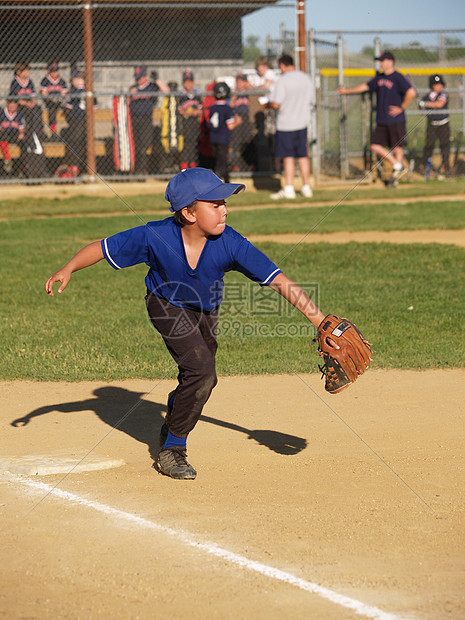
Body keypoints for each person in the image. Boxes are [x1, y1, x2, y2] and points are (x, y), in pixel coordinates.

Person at [44, 167, 330, 480]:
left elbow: (278, 280)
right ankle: (172, 450)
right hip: (165, 304)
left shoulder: (231, 243)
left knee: (200, 376)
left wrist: (318, 320)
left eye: (224, 203)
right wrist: (68, 268)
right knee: (202, 371)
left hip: (207, 310)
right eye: (216, 204)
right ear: (189, 213)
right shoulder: (155, 236)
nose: (225, 209)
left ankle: (178, 407)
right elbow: (102, 247)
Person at [337, 51, 416, 185]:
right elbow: (365, 86)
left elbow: (411, 92)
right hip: (382, 119)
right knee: (374, 146)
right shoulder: (379, 78)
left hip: (396, 119)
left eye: (382, 61)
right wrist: (347, 91)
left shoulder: (398, 77)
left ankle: (394, 178)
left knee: (397, 148)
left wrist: (401, 107)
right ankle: (398, 165)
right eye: (379, 61)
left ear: (390, 62)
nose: (380, 63)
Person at [267, 54, 314, 199]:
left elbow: (276, 103)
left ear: (282, 65)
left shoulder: (283, 80)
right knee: (303, 156)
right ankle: (306, 187)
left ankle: (289, 189)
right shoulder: (305, 78)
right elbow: (311, 99)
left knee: (288, 157)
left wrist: (267, 104)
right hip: (302, 123)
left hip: (286, 124)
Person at [9, 61, 48, 178]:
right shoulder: (15, 83)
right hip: (21, 109)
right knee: (26, 113)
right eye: (25, 71)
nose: (27, 73)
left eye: (28, 70)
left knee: (37, 109)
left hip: (30, 109)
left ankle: (36, 130)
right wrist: (25, 103)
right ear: (19, 72)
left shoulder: (29, 82)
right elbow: (14, 100)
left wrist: (32, 102)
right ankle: (29, 131)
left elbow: (33, 96)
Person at [129, 65, 169, 175]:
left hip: (146, 119)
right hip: (134, 119)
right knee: (136, 145)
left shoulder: (152, 87)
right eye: (137, 77)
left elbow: (167, 91)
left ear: (146, 76)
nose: (138, 80)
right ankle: (136, 170)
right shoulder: (133, 87)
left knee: (144, 146)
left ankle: (142, 170)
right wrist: (131, 95)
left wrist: (157, 80)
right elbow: (127, 101)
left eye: (141, 77)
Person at [63, 68, 98, 174]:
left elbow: (68, 109)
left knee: (76, 142)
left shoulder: (76, 91)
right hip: (83, 121)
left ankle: (76, 166)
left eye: (77, 79)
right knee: (79, 143)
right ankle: (78, 167)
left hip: (78, 120)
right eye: (74, 79)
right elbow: (94, 109)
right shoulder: (89, 90)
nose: (75, 81)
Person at [208, 81, 241, 182]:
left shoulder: (212, 108)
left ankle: (227, 181)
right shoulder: (227, 109)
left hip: (213, 138)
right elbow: (230, 126)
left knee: (221, 160)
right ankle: (214, 182)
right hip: (223, 138)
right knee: (221, 163)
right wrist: (238, 122)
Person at [419, 74, 450, 177]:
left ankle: (446, 168)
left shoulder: (443, 94)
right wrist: (420, 105)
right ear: (432, 85)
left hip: (443, 124)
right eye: (436, 84)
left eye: (440, 84)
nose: (439, 86)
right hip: (431, 125)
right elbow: (422, 112)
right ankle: (423, 166)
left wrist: (425, 104)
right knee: (429, 145)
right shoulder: (426, 97)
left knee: (445, 146)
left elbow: (439, 104)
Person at [230, 73, 255, 172]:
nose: (240, 84)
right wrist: (235, 94)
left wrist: (248, 86)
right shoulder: (235, 94)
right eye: (238, 82)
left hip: (247, 120)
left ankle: (249, 165)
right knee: (236, 144)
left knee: (248, 143)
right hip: (237, 120)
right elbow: (231, 105)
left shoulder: (249, 93)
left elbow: (256, 94)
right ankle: (237, 165)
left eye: (242, 81)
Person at [178, 70, 202, 170]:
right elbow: (179, 110)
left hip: (194, 124)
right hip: (184, 124)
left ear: (193, 82)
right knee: (185, 144)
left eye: (190, 81)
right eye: (186, 82)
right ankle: (184, 165)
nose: (188, 84)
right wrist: (187, 112)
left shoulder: (197, 94)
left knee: (194, 143)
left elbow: (200, 110)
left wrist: (193, 112)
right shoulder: (181, 95)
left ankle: (193, 164)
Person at [40, 61, 68, 139]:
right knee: (52, 110)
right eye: (52, 71)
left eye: (56, 70)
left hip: (60, 102)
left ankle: (66, 132)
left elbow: (64, 93)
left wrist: (59, 99)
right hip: (50, 103)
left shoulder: (62, 81)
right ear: (48, 71)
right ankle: (53, 132)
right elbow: (44, 93)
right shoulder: (45, 80)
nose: (54, 73)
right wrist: (52, 99)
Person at [0, 98, 25, 175]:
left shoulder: (19, 114)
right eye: (11, 104)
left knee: (24, 143)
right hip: (4, 135)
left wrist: (21, 133)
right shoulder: (1, 113)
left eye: (14, 104)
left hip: (15, 135)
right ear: (7, 104)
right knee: (3, 135)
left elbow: (21, 128)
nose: (12, 106)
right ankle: (7, 159)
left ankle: (22, 168)